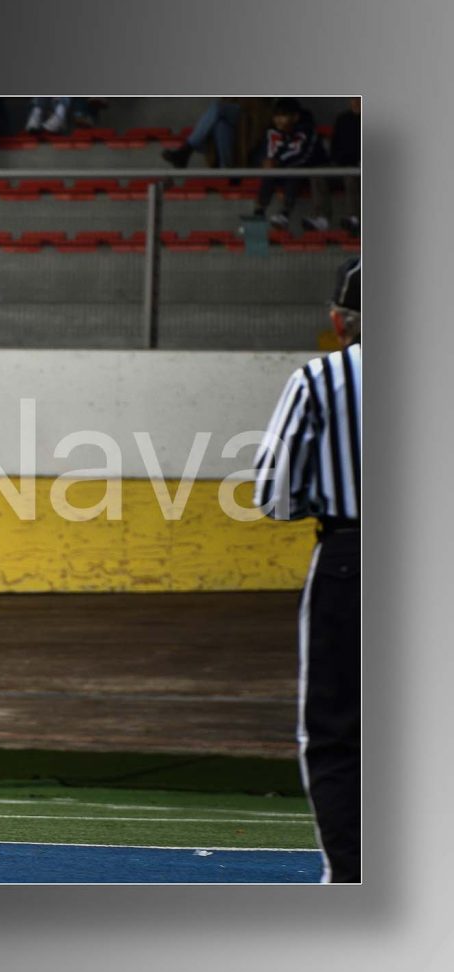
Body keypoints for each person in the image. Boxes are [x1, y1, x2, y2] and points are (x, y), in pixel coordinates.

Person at [252, 257, 361, 883]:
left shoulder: (320, 379)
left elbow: (274, 493)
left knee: (335, 730)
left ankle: (350, 879)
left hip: (349, 557)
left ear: (340, 321)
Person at [243, 97, 331, 232]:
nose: (278, 120)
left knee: (292, 173)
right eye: (276, 116)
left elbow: (303, 156)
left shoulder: (307, 131)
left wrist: (278, 163)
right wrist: (265, 161)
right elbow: (264, 153)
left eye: (283, 115)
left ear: (295, 117)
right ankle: (258, 213)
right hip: (282, 171)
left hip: (307, 171)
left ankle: (284, 213)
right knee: (270, 175)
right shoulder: (273, 132)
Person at [330, 97, 361, 235]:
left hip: (361, 169)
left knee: (350, 177)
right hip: (342, 165)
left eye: (359, 99)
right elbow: (334, 147)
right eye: (353, 99)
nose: (356, 102)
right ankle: (321, 218)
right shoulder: (342, 119)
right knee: (317, 175)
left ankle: (353, 218)